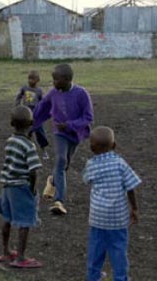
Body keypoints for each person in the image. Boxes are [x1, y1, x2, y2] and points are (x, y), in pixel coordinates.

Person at [32, 64, 93, 215]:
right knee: (60, 161)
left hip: (75, 135)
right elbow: (41, 110)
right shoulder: (53, 93)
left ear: (66, 79)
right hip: (59, 133)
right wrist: (29, 126)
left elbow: (88, 117)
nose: (53, 83)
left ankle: (52, 181)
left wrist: (70, 125)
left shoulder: (81, 94)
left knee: (64, 166)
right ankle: (59, 201)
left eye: (56, 80)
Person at [83, 126, 141, 281]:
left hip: (97, 218)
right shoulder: (120, 164)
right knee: (119, 251)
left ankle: (93, 276)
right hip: (118, 219)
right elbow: (130, 187)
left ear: (91, 147)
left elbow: (86, 180)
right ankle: (121, 277)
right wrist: (134, 208)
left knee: (95, 250)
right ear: (114, 145)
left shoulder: (91, 165)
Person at [0, 106, 42, 268]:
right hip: (21, 186)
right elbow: (33, 170)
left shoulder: (10, 141)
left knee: (7, 218)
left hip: (7, 186)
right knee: (24, 221)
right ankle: (21, 257)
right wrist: (33, 189)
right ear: (31, 123)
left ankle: (6, 251)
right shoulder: (29, 146)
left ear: (11, 123)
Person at [15, 70, 49, 159]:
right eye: (29, 78)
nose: (30, 81)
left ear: (38, 80)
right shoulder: (25, 88)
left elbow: (43, 102)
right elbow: (18, 96)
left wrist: (43, 112)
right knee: (26, 132)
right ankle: (25, 150)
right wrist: (17, 105)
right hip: (26, 113)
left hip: (36, 114)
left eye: (32, 79)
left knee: (40, 132)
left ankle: (44, 150)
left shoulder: (39, 91)